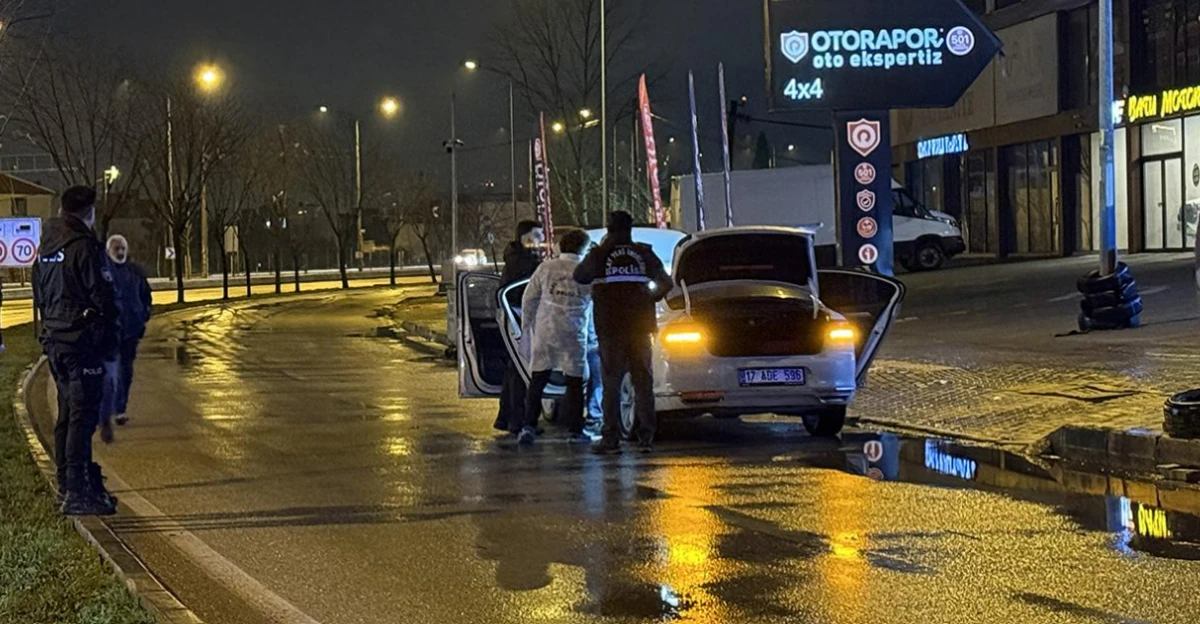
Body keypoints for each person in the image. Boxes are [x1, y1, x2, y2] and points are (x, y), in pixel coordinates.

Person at [34, 186, 120, 516]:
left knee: (68, 415)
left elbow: (40, 294)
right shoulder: (83, 248)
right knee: (81, 419)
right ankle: (77, 493)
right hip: (81, 344)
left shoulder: (47, 248)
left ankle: (67, 486)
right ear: (88, 212)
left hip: (56, 342)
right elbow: (104, 298)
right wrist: (108, 341)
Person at [574, 211, 671, 454]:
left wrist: (600, 251)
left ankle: (611, 439)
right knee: (643, 382)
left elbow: (580, 276)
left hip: (610, 326)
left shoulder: (600, 254)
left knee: (612, 383)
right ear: (631, 228)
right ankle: (646, 438)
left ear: (609, 228)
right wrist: (650, 297)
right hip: (640, 325)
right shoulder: (643, 252)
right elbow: (666, 282)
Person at [517, 228, 593, 446]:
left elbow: (529, 298)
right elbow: (596, 299)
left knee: (538, 379)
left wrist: (526, 326)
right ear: (584, 247)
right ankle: (575, 430)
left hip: (546, 329)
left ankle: (528, 426)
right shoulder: (586, 270)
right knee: (575, 381)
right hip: (574, 330)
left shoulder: (546, 267)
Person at [494, 220, 544, 433]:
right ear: (526, 237)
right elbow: (524, 292)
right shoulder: (522, 262)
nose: (542, 239)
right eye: (538, 235)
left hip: (514, 317)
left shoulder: (517, 258)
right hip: (519, 318)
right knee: (522, 370)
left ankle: (505, 418)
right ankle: (519, 420)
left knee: (514, 370)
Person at [99, 234, 151, 436]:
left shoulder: (135, 272)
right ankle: (106, 409)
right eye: (116, 248)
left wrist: (143, 316)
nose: (120, 252)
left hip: (130, 331)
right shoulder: (103, 272)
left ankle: (120, 409)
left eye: (122, 248)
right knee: (109, 373)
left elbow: (146, 295)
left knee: (125, 372)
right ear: (109, 250)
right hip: (109, 332)